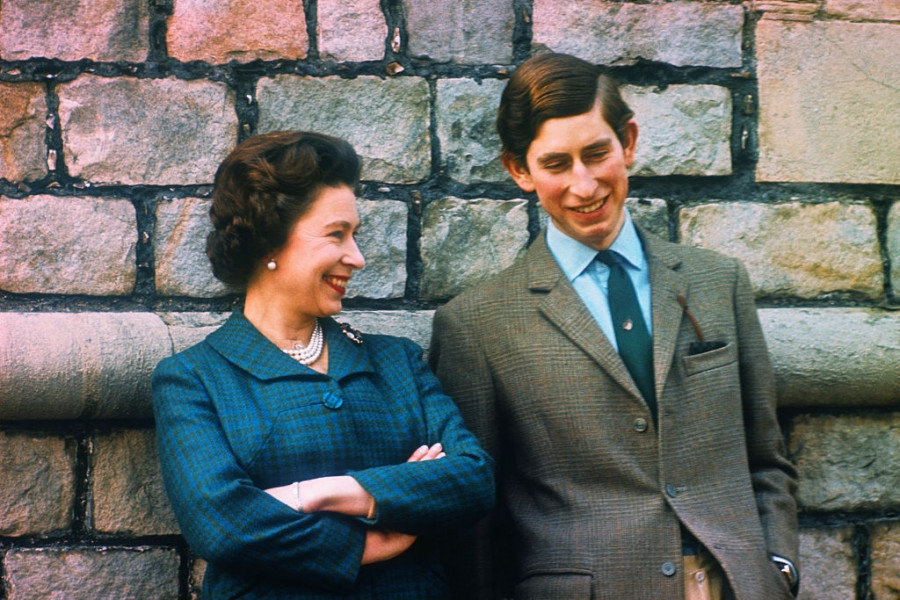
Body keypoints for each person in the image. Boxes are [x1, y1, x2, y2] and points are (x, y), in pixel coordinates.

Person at [429, 52, 799, 600]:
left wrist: (779, 567)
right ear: (520, 171)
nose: (584, 185)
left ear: (627, 142)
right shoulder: (476, 326)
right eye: (556, 164)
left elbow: (766, 455)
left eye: (596, 154)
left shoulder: (719, 282)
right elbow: (475, 519)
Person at [152, 130, 494, 599]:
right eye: (337, 235)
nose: (357, 257)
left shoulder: (397, 360)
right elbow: (225, 526)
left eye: (355, 236)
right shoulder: (194, 380)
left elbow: (473, 478)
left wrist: (324, 493)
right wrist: (378, 533)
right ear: (270, 242)